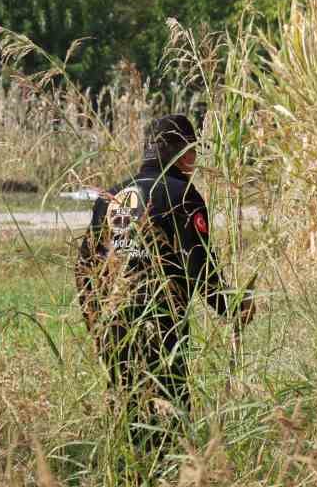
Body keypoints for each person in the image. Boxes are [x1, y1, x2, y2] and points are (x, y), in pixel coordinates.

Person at [75, 114, 253, 450]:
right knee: (169, 414)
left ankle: (130, 479)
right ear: (182, 152)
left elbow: (87, 267)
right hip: (163, 323)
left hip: (116, 324)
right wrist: (231, 308)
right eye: (192, 151)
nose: (194, 160)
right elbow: (200, 264)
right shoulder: (182, 194)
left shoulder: (111, 197)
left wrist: (96, 321)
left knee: (127, 409)